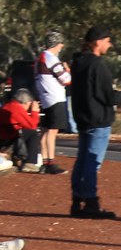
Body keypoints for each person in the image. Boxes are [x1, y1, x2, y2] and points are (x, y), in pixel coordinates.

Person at [70, 25, 121, 219]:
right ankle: (91, 202)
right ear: (98, 42)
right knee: (92, 162)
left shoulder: (78, 63)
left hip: (83, 118)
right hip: (98, 120)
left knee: (82, 160)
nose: (110, 44)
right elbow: (108, 97)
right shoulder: (97, 66)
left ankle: (77, 201)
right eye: (108, 41)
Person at [34, 30, 71, 174]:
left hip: (45, 98)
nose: (62, 47)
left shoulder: (39, 59)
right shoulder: (52, 59)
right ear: (57, 44)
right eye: (61, 44)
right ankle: (51, 163)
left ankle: (44, 163)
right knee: (52, 132)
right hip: (55, 98)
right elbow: (66, 80)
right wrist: (67, 70)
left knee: (45, 131)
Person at [0, 88, 43, 173]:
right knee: (33, 133)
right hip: (5, 141)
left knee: (22, 132)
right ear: (26, 103)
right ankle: (29, 163)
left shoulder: (9, 105)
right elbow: (32, 125)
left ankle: (16, 157)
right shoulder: (16, 108)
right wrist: (35, 112)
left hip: (5, 138)